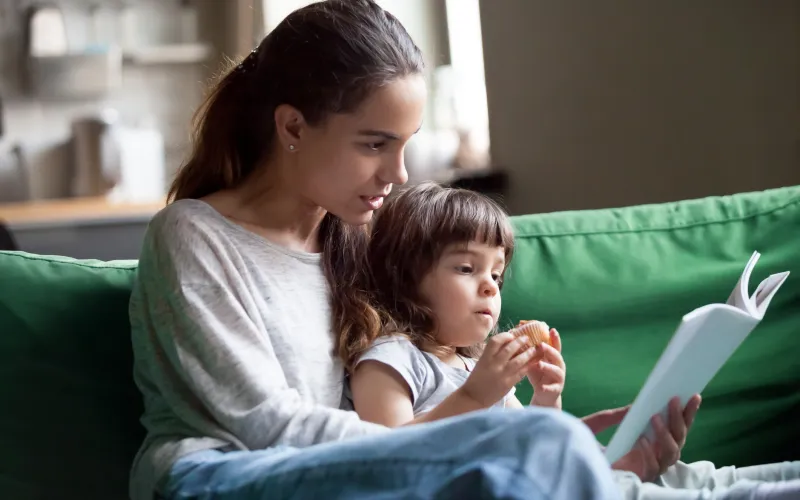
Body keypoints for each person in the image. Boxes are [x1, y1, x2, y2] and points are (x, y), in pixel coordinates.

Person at [347, 182, 800, 499]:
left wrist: (548, 402)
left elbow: (534, 445)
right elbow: (382, 459)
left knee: (700, 477)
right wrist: (472, 396)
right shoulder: (391, 361)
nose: (489, 286)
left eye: (497, 274)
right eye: (466, 269)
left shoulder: (474, 366)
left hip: (558, 482)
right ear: (404, 277)